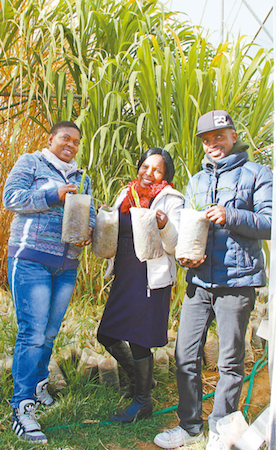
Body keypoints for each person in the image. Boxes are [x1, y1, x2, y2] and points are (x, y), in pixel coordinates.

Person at [154, 110, 272, 449]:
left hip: (238, 281)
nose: (212, 144)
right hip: (199, 281)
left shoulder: (258, 174)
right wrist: (188, 253)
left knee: (230, 361)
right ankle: (190, 426)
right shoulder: (197, 181)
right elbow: (192, 227)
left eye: (219, 136)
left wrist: (230, 214)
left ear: (233, 136)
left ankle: (222, 429)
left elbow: (269, 221)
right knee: (184, 355)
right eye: (206, 140)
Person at [3, 120, 96, 443]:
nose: (70, 145)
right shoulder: (32, 162)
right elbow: (11, 198)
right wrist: (52, 195)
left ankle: (39, 382)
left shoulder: (82, 177)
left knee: (50, 333)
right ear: (51, 139)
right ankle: (21, 406)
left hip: (66, 265)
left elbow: (91, 215)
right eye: (65, 139)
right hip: (30, 260)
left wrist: (88, 232)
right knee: (32, 333)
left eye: (76, 142)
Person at [97, 147, 184, 423]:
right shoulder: (127, 193)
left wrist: (165, 224)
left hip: (150, 277)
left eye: (157, 169)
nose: (149, 173)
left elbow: (175, 244)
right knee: (107, 334)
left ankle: (143, 402)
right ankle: (140, 381)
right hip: (125, 272)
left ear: (166, 175)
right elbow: (115, 229)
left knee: (138, 339)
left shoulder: (171, 199)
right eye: (145, 167)